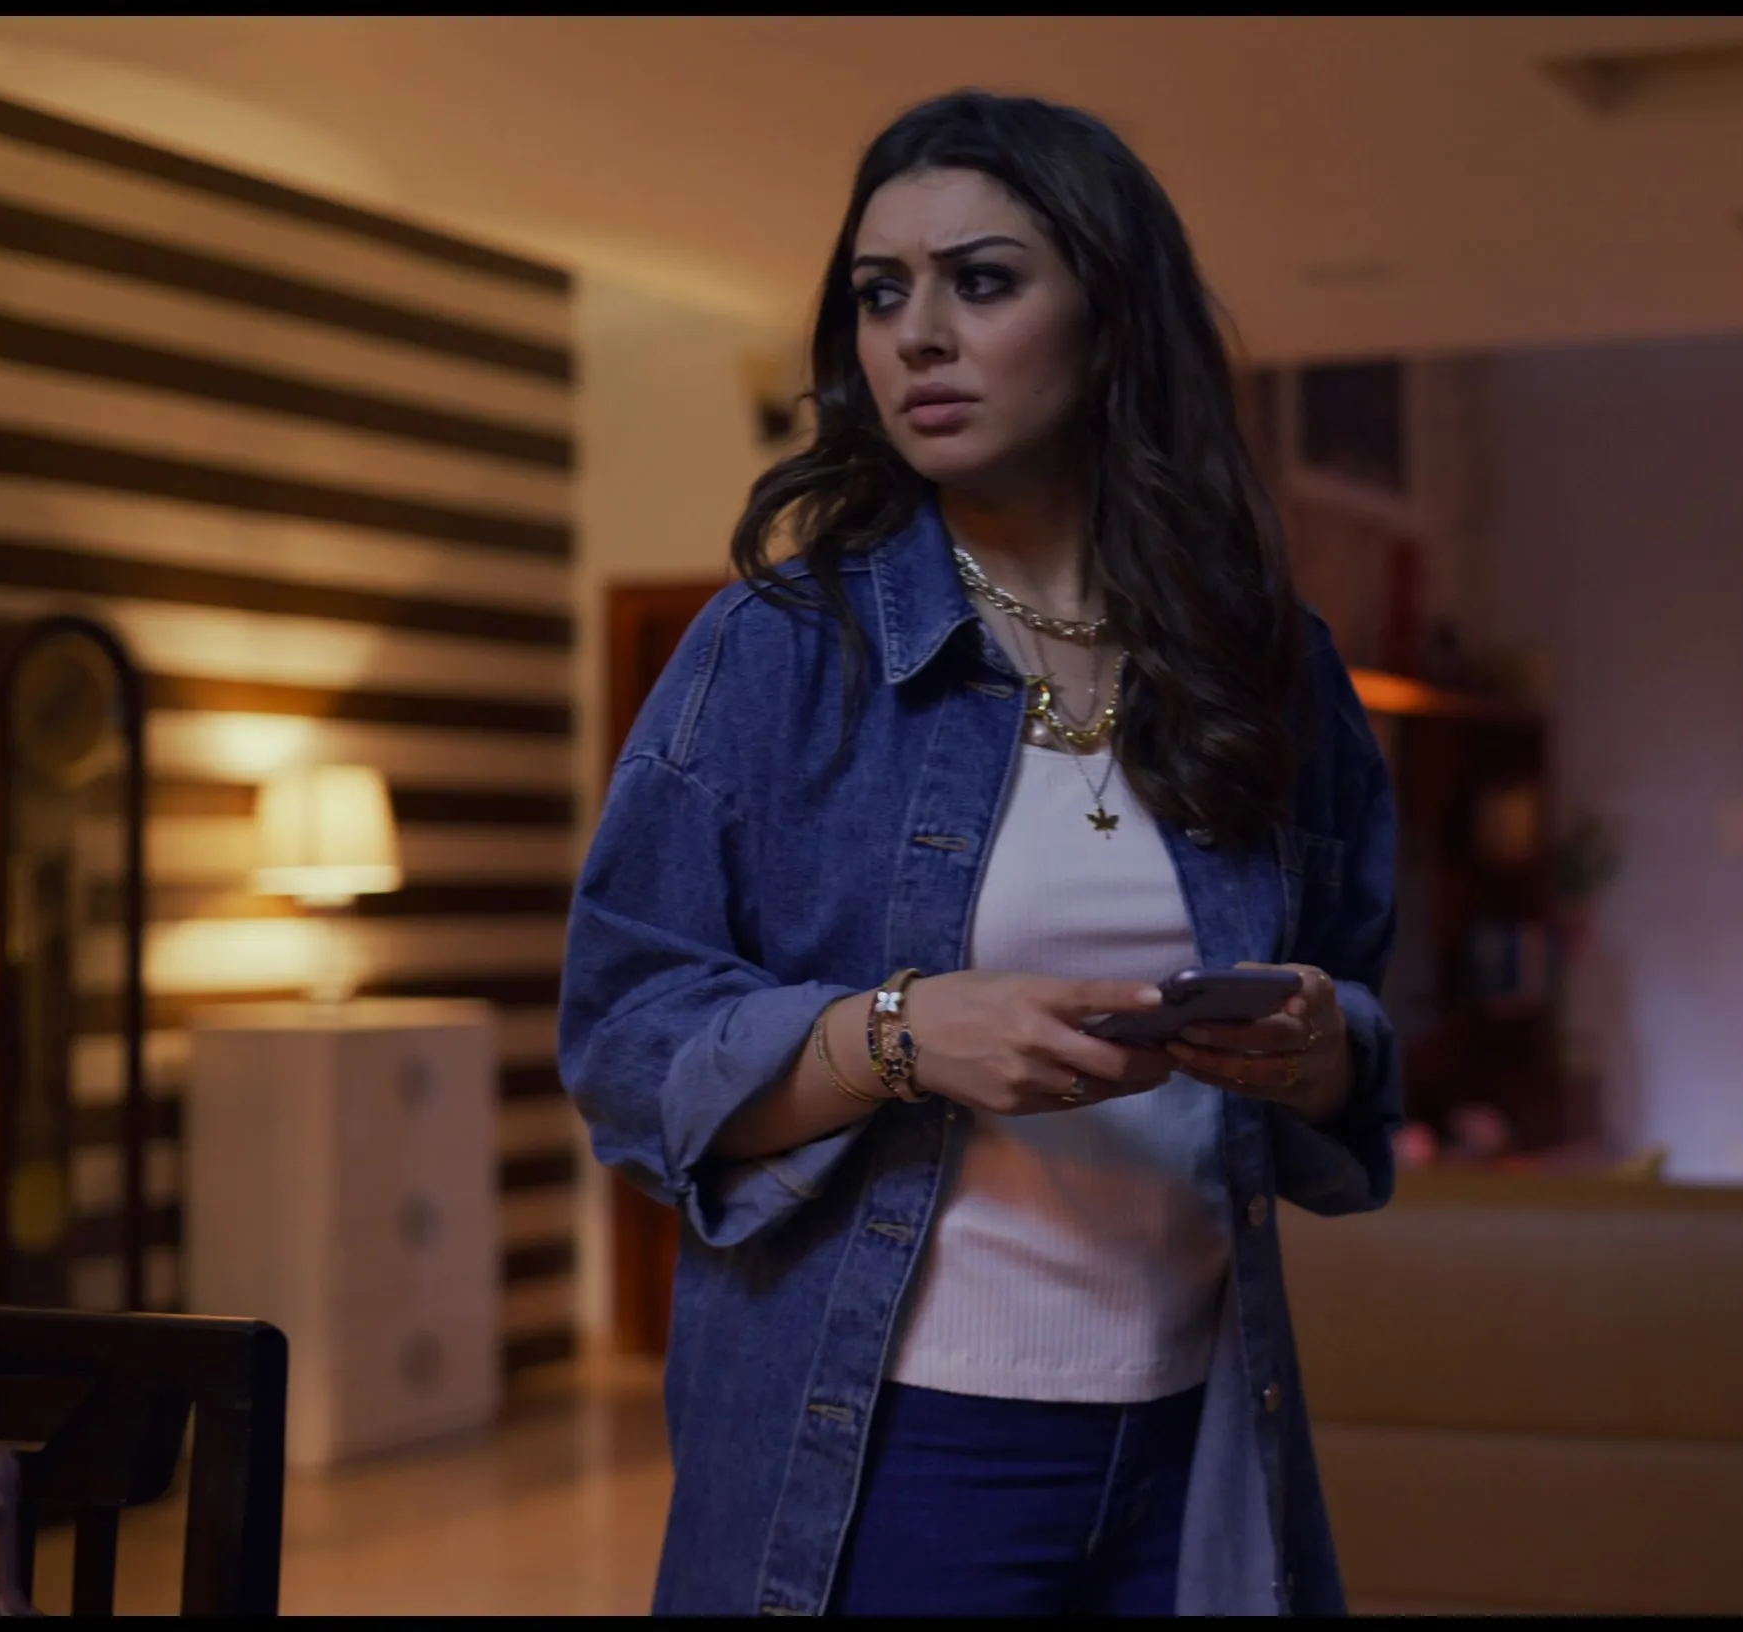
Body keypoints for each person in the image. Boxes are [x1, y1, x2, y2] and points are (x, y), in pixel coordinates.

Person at [557, 89, 1401, 1618]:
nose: (916, 338)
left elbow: (1360, 1006)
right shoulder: (774, 653)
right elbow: (624, 1041)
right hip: (893, 1446)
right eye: (880, 294)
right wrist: (894, 1036)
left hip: (1202, 1434)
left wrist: (1309, 1046)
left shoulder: (1266, 664)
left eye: (981, 282)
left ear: (1110, 318)